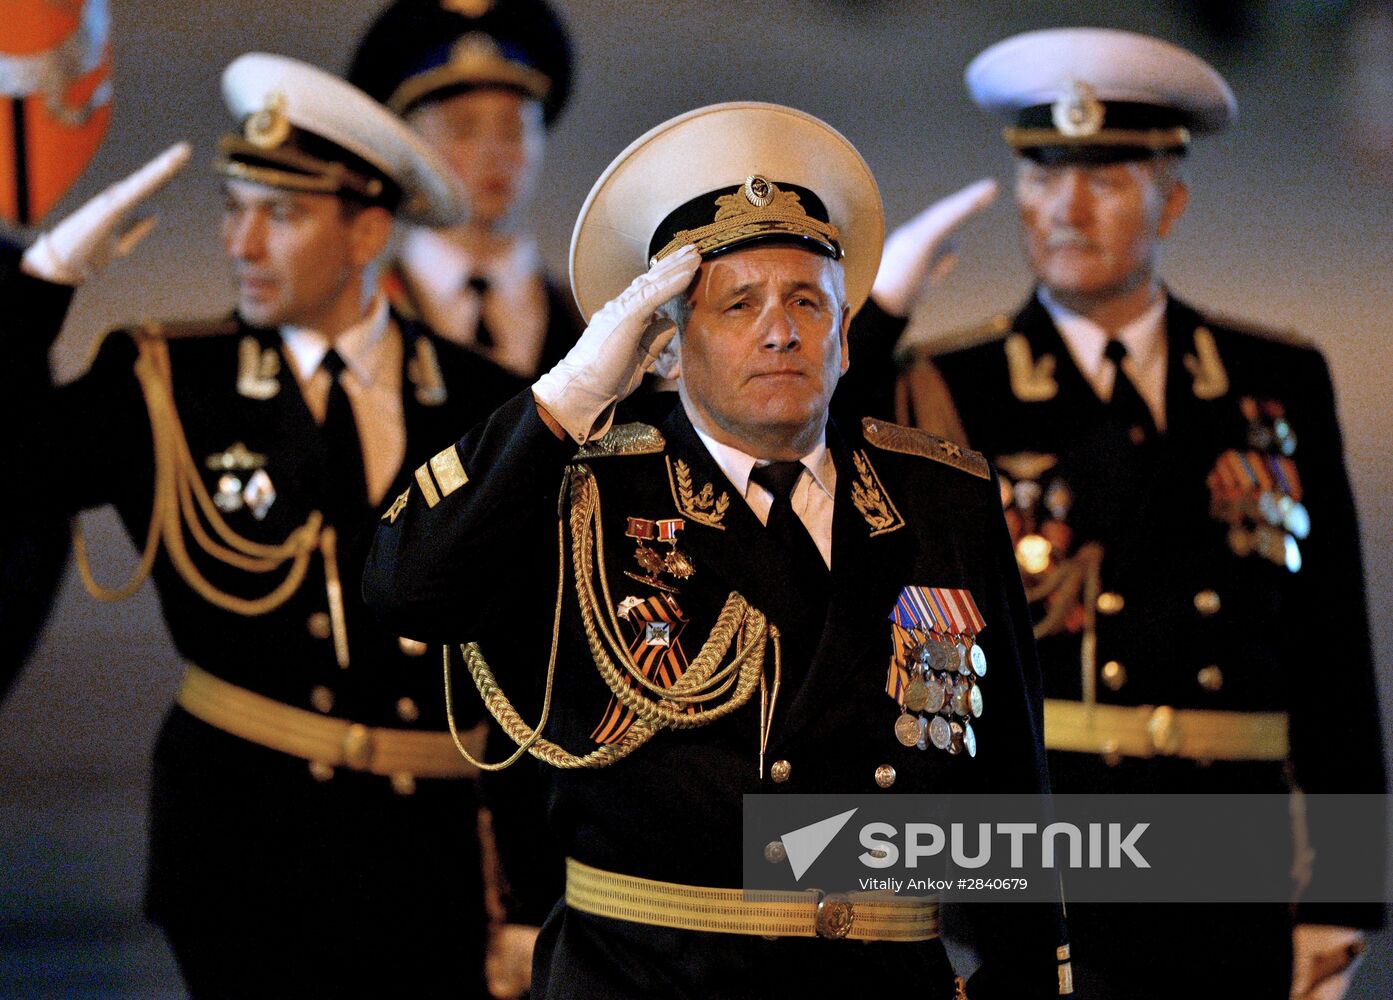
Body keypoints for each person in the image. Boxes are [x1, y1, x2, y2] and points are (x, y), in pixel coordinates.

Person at [364, 101, 1071, 998]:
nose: (780, 330)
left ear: (847, 339)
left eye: (807, 302)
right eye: (738, 304)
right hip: (651, 975)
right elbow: (405, 590)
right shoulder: (587, 492)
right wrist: (569, 397)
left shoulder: (940, 495)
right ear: (663, 347)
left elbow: (1010, 790)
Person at [869, 27, 1386, 1000]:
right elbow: (818, 498)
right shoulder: (946, 386)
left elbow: (1332, 648)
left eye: (1105, 178)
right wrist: (879, 312)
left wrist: (1345, 895)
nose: (1065, 207)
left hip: (1235, 862)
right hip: (1042, 865)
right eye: (1042, 175)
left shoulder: (1272, 382)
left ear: (1171, 198)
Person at [8, 54, 521, 996]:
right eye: (232, 207)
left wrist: (524, 895)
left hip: (430, 860)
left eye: (278, 215)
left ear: (367, 229)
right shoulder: (164, 381)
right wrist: (36, 285)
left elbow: (529, 663)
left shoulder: (485, 402)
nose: (241, 243)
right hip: (243, 852)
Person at [347, 0, 580, 378]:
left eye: (513, 127)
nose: (492, 153)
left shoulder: (589, 322)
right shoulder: (362, 320)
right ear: (409, 146)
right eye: (462, 129)